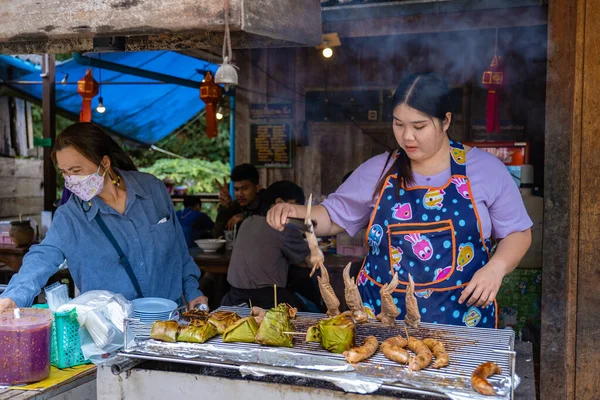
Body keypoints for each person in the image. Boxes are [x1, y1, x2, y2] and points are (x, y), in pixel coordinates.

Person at [267, 73, 532, 328]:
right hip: (381, 325)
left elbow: (518, 233)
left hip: (462, 323)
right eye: (398, 124)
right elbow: (332, 217)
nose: (407, 136)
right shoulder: (379, 171)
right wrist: (295, 211)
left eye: (419, 126)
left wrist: (496, 268)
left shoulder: (485, 170)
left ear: (446, 121)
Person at [0, 122, 208, 311]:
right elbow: (43, 256)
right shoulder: (70, 216)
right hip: (112, 335)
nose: (71, 180)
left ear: (105, 163)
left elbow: (179, 251)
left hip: (168, 322)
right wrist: (13, 297)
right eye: (64, 172)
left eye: (76, 170)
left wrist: (193, 292)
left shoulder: (152, 189)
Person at [221, 180, 310, 310]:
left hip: (234, 298)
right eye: (295, 207)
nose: (297, 214)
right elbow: (309, 261)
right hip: (267, 300)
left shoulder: (247, 222)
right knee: (312, 308)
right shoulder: (283, 226)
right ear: (279, 203)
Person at [213, 163, 264, 238]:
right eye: (236, 189)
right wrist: (224, 208)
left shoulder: (265, 202)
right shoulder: (234, 207)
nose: (240, 194)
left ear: (257, 188)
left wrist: (246, 217)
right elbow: (217, 237)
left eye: (245, 188)